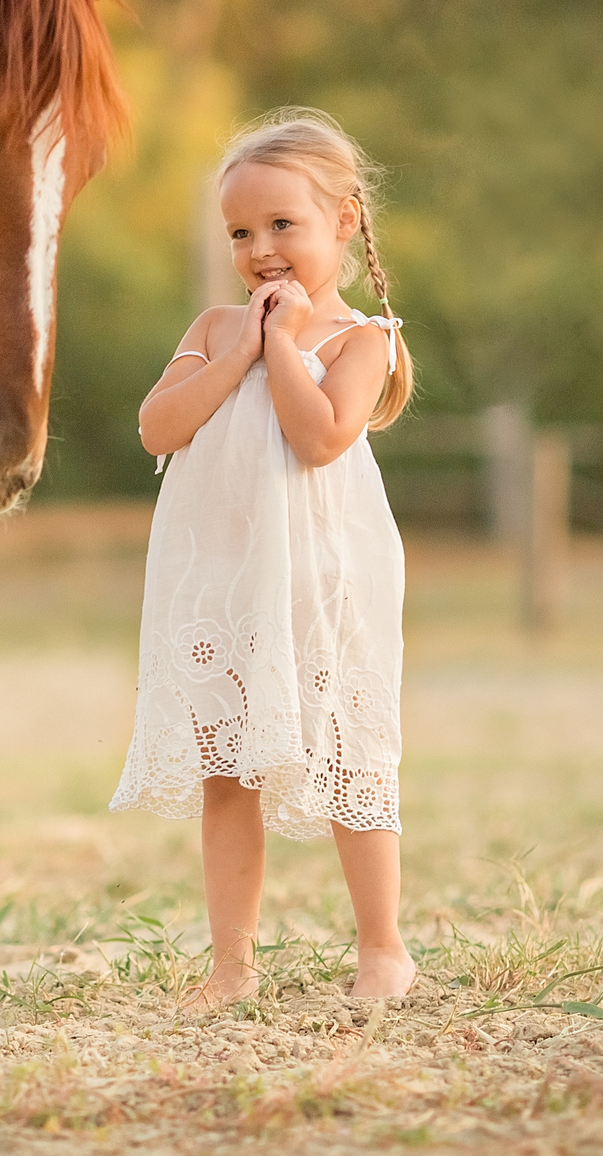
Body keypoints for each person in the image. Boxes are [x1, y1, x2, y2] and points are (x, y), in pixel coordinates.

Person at [110, 109, 418, 1008]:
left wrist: (282, 345)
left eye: (284, 224)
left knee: (350, 763)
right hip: (226, 584)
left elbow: (320, 437)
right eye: (241, 232)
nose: (260, 249)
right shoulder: (214, 328)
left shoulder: (360, 340)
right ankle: (231, 967)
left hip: (323, 584)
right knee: (226, 769)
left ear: (345, 222)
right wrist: (241, 344)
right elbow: (157, 427)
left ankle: (383, 949)